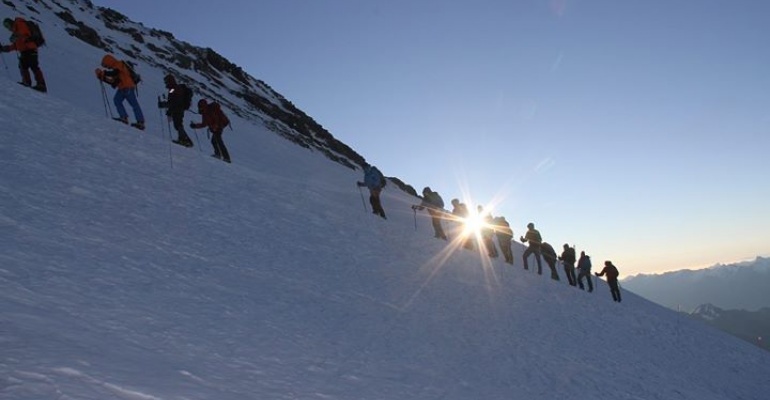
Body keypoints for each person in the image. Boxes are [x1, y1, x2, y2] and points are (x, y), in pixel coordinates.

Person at [95, 54, 144, 129]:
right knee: (117, 100)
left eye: (106, 65)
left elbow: (114, 73)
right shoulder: (115, 68)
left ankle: (140, 122)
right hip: (122, 88)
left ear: (109, 61)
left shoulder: (119, 64)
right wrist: (102, 77)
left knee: (133, 104)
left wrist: (103, 73)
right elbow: (113, 82)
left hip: (128, 87)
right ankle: (124, 118)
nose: (107, 67)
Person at [1, 17, 47, 92]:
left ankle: (41, 85)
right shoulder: (15, 31)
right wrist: (4, 48)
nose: (7, 28)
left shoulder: (19, 23)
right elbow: (15, 46)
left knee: (33, 66)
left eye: (7, 25)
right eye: (5, 26)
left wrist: (16, 36)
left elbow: (25, 32)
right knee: (23, 66)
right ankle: (27, 82)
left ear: (11, 22)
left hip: (31, 49)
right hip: (25, 51)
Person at [159, 74, 193, 147]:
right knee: (178, 124)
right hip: (179, 109)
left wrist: (164, 105)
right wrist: (169, 110)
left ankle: (185, 140)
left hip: (178, 109)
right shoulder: (173, 89)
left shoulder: (174, 89)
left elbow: (173, 102)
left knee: (178, 124)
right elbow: (172, 101)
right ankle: (184, 139)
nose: (165, 83)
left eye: (166, 81)